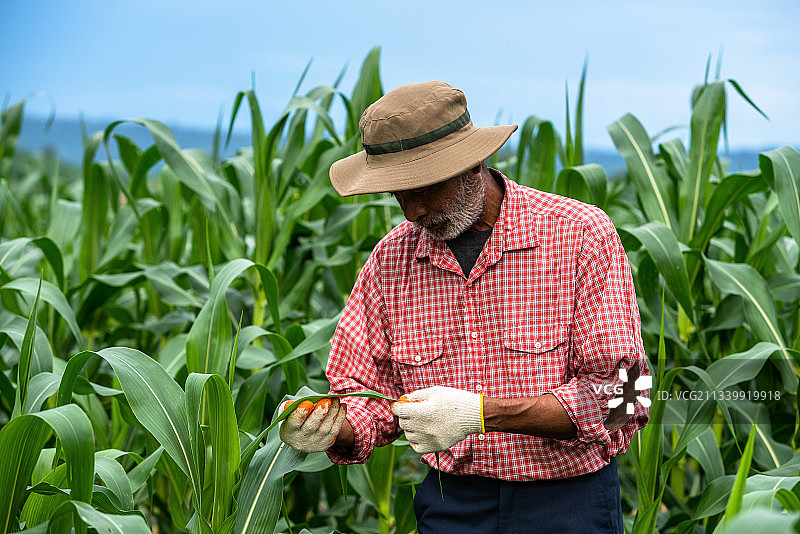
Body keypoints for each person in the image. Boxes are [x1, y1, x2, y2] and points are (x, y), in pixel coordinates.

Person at [279, 80, 650, 533]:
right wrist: (328, 427)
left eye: (424, 189)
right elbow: (365, 396)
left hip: (568, 504)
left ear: (474, 164)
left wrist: (479, 414)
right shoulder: (390, 262)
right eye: (398, 194)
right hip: (452, 506)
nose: (412, 211)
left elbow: (625, 399)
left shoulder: (580, 236)